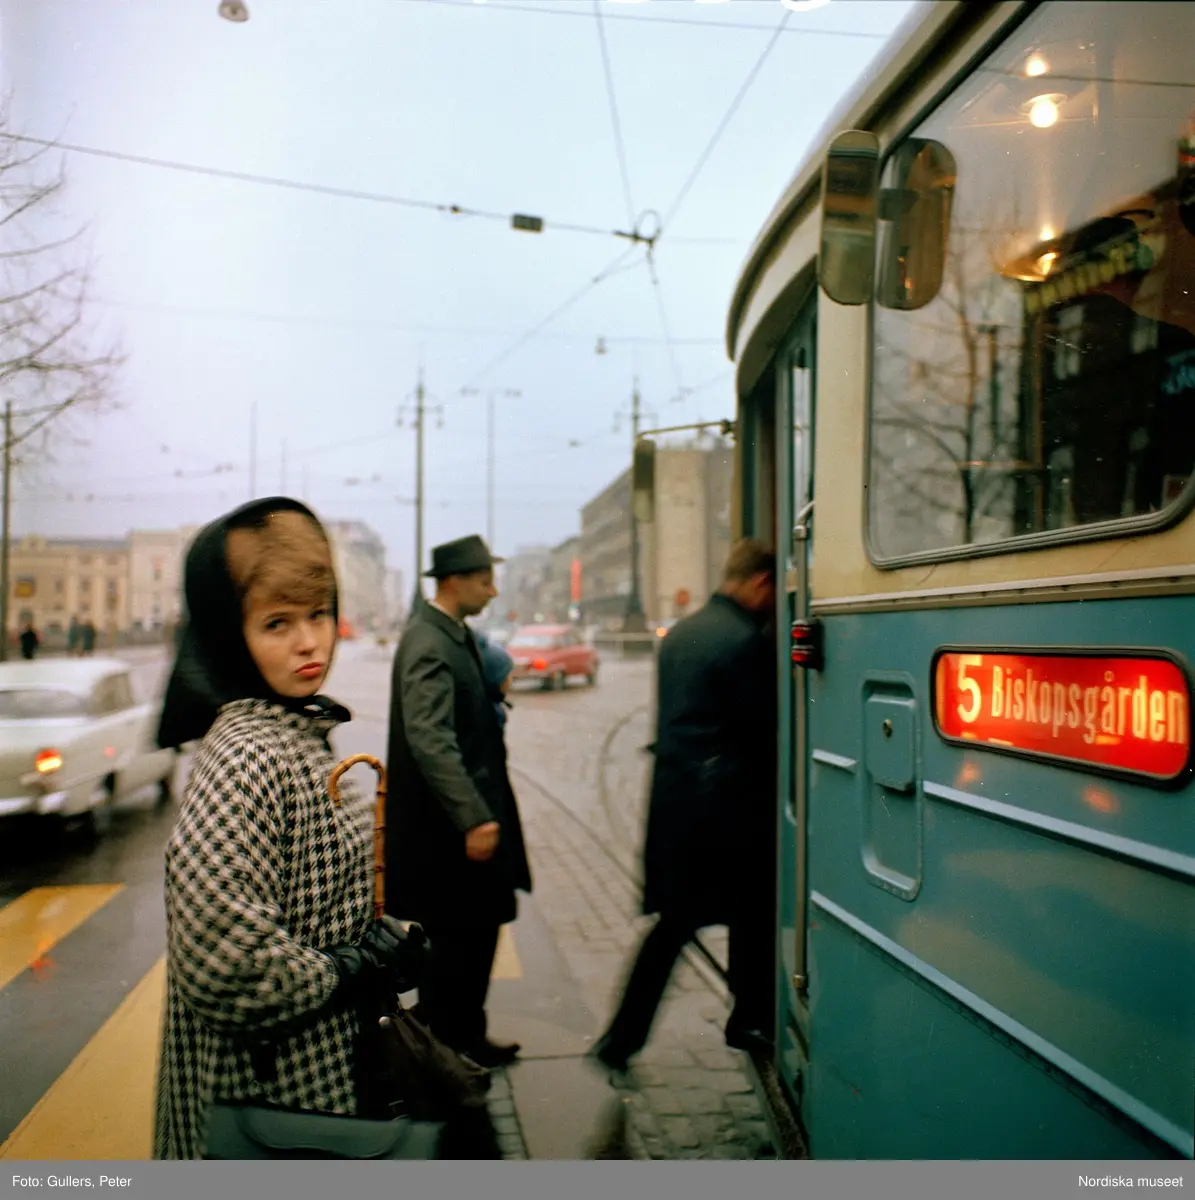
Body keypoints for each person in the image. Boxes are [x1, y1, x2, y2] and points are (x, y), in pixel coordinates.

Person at [152, 497, 429, 1160]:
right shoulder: (249, 754)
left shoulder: (293, 727)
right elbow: (228, 970)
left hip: (312, 1084)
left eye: (319, 613)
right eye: (276, 622)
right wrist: (349, 970)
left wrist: (370, 937)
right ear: (229, 633)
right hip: (267, 1101)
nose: (309, 641)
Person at [589, 538, 778, 1078]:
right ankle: (747, 1017)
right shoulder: (746, 641)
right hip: (727, 810)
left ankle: (623, 1039)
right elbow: (761, 733)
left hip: (678, 805)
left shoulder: (685, 633)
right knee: (751, 912)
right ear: (761, 583)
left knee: (677, 926)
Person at [385, 534, 532, 1069]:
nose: (492, 591)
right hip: (447, 831)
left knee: (478, 934)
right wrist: (472, 817)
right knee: (456, 946)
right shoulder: (428, 641)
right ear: (453, 581)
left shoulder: (453, 634)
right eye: (483, 579)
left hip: (469, 818)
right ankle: (446, 1061)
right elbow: (429, 737)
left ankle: (468, 1036)